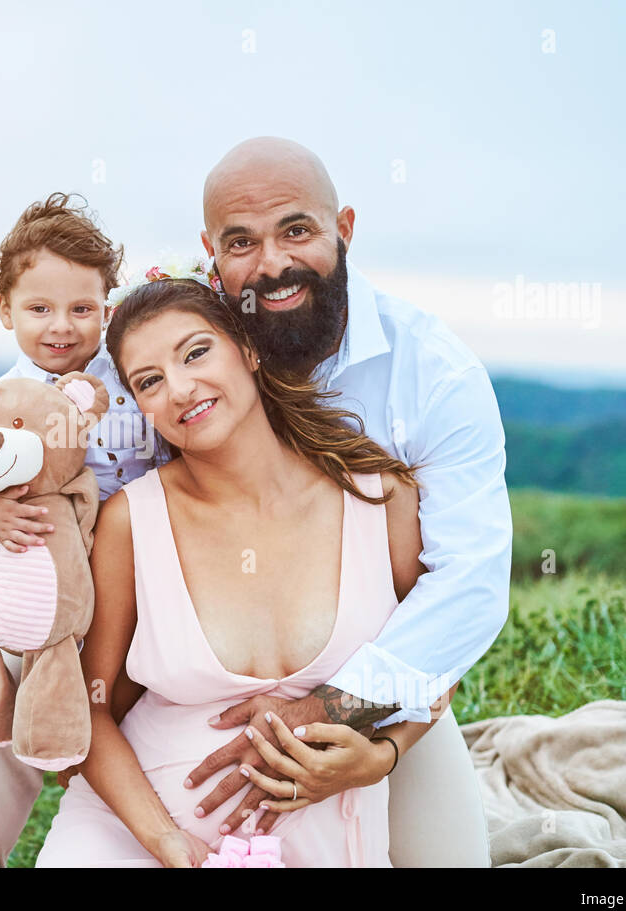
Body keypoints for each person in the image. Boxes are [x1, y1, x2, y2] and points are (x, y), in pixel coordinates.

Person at [158, 138, 510, 859]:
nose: (273, 264)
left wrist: (351, 724)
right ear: (210, 253)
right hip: (197, 688)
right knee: (11, 637)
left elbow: (468, 587)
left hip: (375, 683)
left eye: (297, 230)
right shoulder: (180, 352)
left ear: (343, 227)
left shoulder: (435, 376)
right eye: (241, 242)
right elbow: (66, 383)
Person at [36, 272, 456, 866]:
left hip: (325, 842)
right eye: (150, 381)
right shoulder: (132, 520)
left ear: (251, 350)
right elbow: (93, 706)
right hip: (134, 837)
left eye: (196, 352)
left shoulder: (377, 499)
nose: (180, 389)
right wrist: (164, 839)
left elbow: (439, 651)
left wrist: (384, 753)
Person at [0, 191, 163, 867]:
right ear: (6, 310)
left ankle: (107, 828)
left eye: (82, 308)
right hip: (39, 589)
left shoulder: (127, 380)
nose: (61, 326)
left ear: (107, 308)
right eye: (39, 308)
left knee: (107, 721)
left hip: (129, 584)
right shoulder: (4, 397)